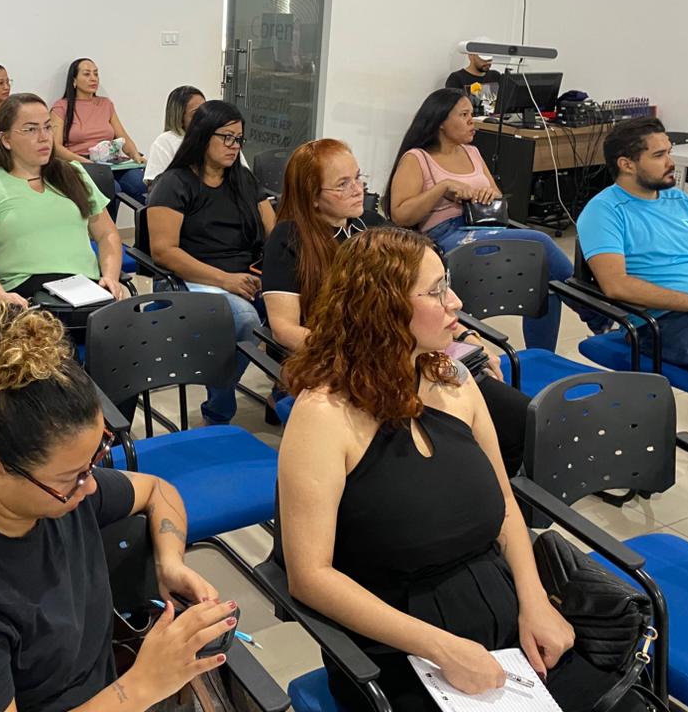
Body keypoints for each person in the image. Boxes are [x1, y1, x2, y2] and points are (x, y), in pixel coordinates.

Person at [278, 226, 638, 712]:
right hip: (398, 640)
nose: (456, 301)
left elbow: (504, 500)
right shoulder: (323, 415)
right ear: (382, 307)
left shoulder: (455, 382)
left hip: (501, 605)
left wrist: (535, 601)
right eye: (435, 291)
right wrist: (442, 648)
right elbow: (310, 576)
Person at [0, 303, 238, 712]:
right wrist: (142, 685)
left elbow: (159, 491)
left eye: (94, 462)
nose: (91, 486)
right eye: (72, 476)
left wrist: (169, 564)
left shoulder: (60, 497)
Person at [262, 138, 527, 474]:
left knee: (520, 419)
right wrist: (359, 351)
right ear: (312, 195)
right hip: (344, 360)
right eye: (343, 184)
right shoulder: (289, 240)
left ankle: (491, 490)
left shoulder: (371, 225)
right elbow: (284, 328)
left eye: (358, 178)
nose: (358, 189)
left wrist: (466, 336)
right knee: (437, 427)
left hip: (405, 351)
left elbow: (426, 294)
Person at [386, 88, 586, 351]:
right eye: (464, 115)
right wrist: (442, 188)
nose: (472, 121)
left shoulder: (472, 153)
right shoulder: (418, 158)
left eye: (472, 114)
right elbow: (400, 214)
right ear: (441, 121)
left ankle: (541, 355)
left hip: (485, 225)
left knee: (543, 278)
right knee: (539, 242)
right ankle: (594, 312)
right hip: (446, 234)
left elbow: (498, 196)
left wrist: (488, 194)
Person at [577, 116, 688, 372]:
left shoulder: (678, 199)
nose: (671, 162)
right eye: (659, 155)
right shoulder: (604, 211)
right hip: (665, 320)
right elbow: (616, 286)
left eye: (669, 152)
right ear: (627, 164)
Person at [147, 100, 275, 424]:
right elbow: (164, 251)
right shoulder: (174, 182)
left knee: (307, 305)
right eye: (226, 137)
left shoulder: (243, 180)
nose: (234, 146)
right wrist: (225, 280)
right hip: (189, 280)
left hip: (245, 277)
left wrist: (273, 274)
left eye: (239, 139)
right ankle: (219, 409)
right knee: (245, 317)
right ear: (203, 136)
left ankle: (285, 390)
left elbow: (273, 232)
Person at [0, 93, 125, 305]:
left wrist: (110, 276)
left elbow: (107, 234)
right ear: (6, 140)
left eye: (47, 127)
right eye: (31, 129)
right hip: (26, 294)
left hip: (85, 289)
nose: (44, 137)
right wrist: (1, 296)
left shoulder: (73, 174)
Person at [50, 57, 147, 203]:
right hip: (81, 163)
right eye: (87, 74)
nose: (93, 78)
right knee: (112, 188)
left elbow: (123, 137)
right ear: (74, 80)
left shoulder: (106, 104)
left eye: (96, 74)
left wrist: (134, 154)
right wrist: (85, 162)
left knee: (140, 183)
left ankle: (147, 218)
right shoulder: (61, 106)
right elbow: (55, 147)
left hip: (111, 162)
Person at [144, 86, 206, 188]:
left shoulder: (216, 138)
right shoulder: (165, 142)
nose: (205, 117)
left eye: (205, 111)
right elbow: (154, 187)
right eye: (197, 114)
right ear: (180, 117)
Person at [445, 40, 500, 116]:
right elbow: (453, 110)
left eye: (490, 59)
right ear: (471, 56)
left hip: (494, 121)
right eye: (484, 59)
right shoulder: (456, 78)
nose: (487, 63)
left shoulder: (495, 76)